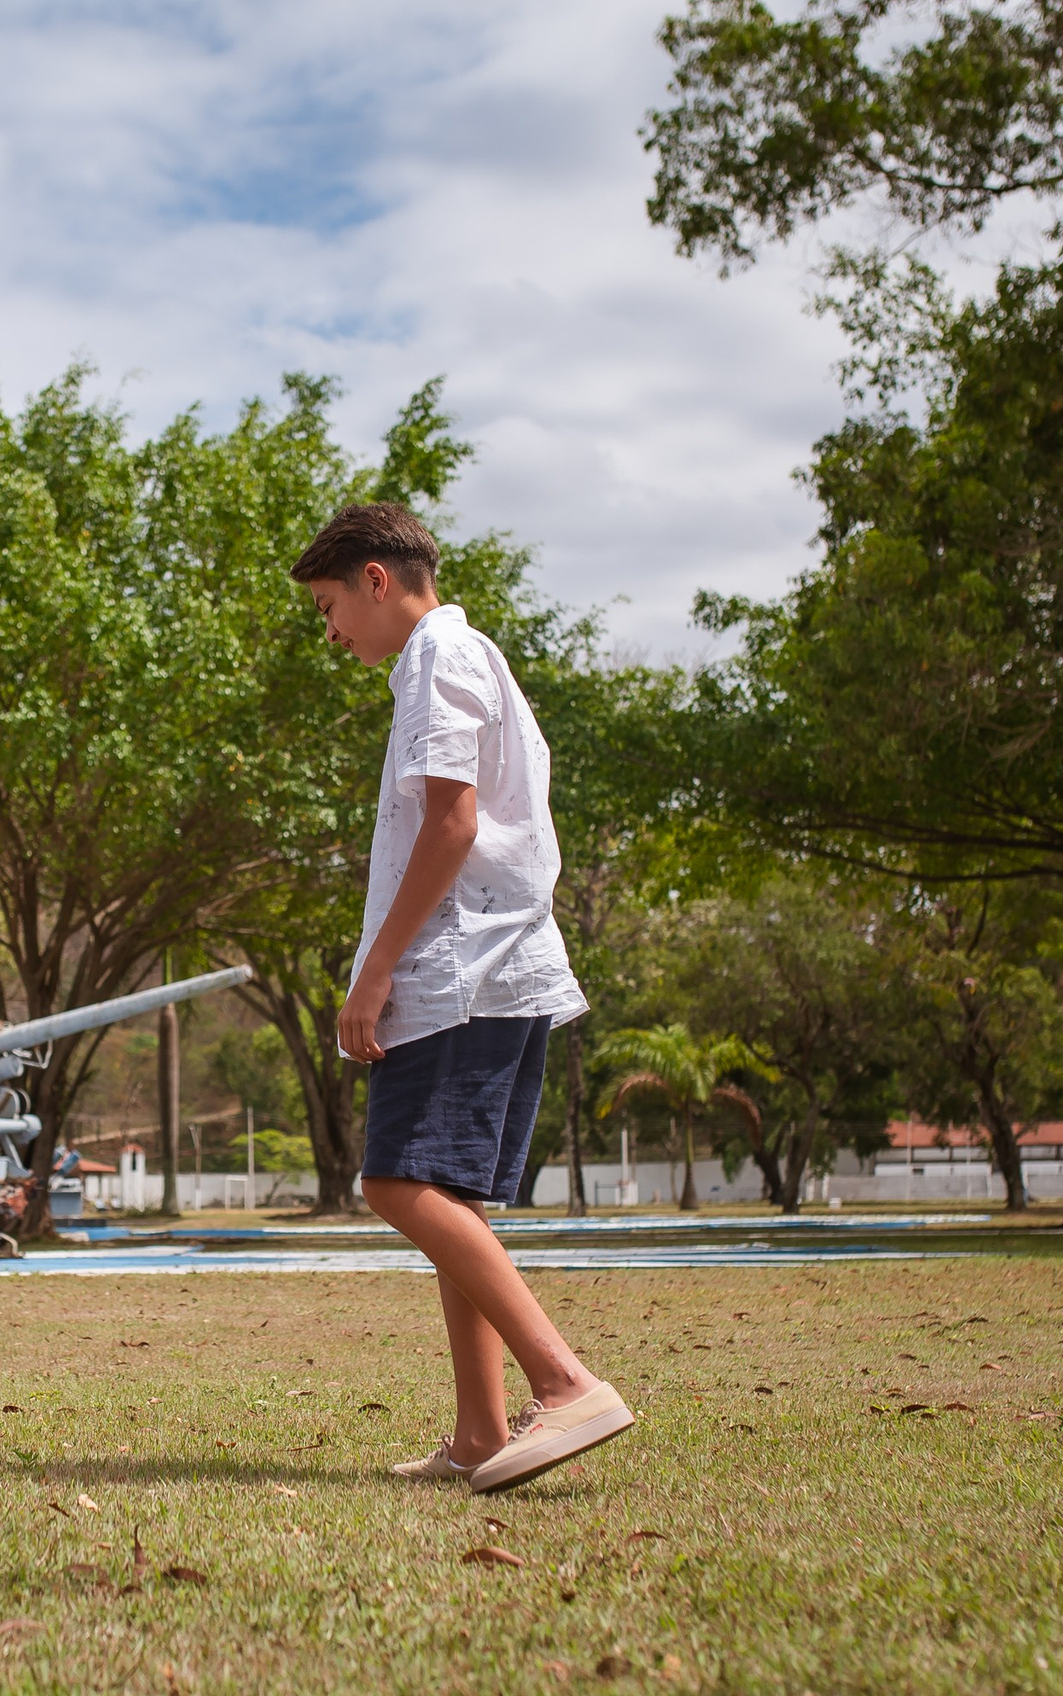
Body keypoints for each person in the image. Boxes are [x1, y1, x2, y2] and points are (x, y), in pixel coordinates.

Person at [292, 503, 630, 1495]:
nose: (330, 630)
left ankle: (564, 1381)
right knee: (447, 1194)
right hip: (494, 964)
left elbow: (450, 823)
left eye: (327, 605)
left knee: (397, 1185)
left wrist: (375, 969)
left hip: (461, 970)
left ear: (376, 580)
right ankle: (481, 1430)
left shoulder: (442, 655)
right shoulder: (457, 657)